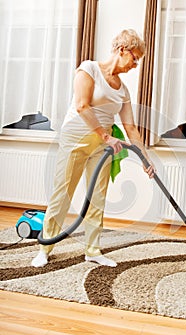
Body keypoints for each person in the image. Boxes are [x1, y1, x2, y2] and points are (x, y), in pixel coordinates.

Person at [31, 29, 155, 268]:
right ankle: (45, 248)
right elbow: (82, 105)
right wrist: (106, 136)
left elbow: (131, 128)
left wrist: (145, 159)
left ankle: (93, 249)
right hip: (76, 138)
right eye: (135, 58)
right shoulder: (89, 69)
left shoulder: (123, 91)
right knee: (62, 193)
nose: (136, 65)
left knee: (97, 197)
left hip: (102, 146)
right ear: (122, 50)